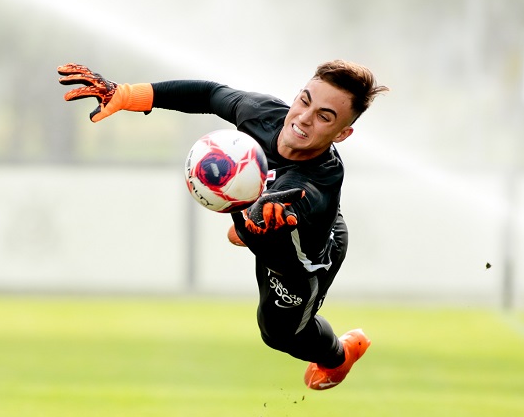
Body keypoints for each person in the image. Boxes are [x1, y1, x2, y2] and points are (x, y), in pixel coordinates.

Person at [57, 61, 388, 390]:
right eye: (305, 100)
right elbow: (210, 94)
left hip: (303, 252)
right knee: (267, 296)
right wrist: (128, 94)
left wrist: (253, 223)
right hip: (269, 220)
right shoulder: (264, 114)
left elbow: (271, 230)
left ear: (342, 134)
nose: (304, 117)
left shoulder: (319, 182)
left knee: (280, 334)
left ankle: (340, 356)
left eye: (324, 117)